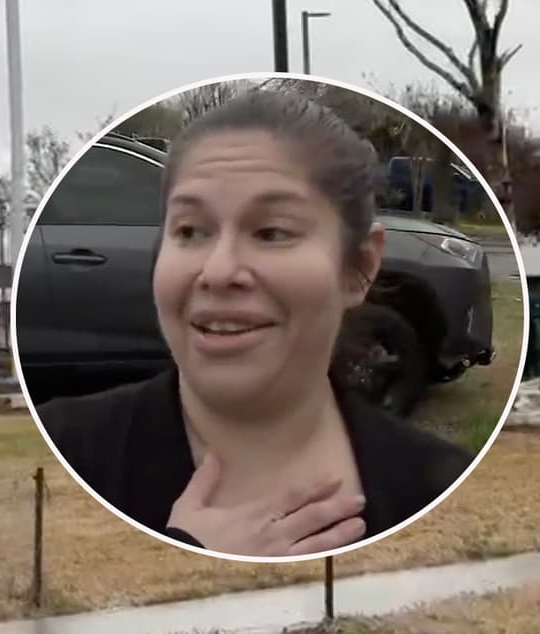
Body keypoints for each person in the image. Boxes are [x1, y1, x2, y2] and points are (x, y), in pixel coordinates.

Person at [35, 89, 475, 558]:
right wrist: (185, 552)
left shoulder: (436, 487)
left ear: (360, 266)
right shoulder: (63, 452)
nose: (219, 272)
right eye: (190, 231)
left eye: (271, 232)